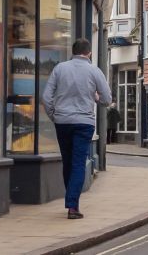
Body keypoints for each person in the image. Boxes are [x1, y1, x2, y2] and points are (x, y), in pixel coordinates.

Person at [42, 38, 112, 219]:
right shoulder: (94, 71)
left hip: (62, 122)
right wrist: (95, 98)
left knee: (68, 162)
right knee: (79, 164)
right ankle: (72, 206)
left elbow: (46, 97)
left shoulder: (59, 69)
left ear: (73, 52)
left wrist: (55, 116)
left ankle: (72, 201)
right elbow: (106, 100)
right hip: (84, 123)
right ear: (89, 53)